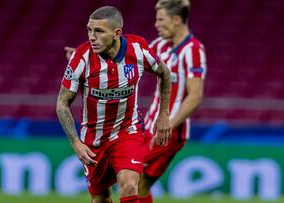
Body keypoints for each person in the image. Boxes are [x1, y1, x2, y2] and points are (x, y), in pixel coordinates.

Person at [56, 6, 172, 203]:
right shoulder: (81, 58)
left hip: (128, 130)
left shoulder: (138, 50)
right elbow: (62, 104)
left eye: (99, 31)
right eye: (89, 30)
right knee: (100, 199)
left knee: (128, 184)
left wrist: (164, 114)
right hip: (93, 139)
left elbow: (165, 73)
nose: (92, 37)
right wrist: (76, 143)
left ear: (117, 33)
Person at [138, 0, 207, 202]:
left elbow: (195, 96)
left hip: (169, 133)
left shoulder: (193, 50)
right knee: (140, 184)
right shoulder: (160, 45)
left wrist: (167, 125)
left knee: (127, 171)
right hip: (150, 126)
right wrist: (93, 60)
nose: (156, 24)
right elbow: (131, 59)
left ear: (177, 20)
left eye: (161, 20)